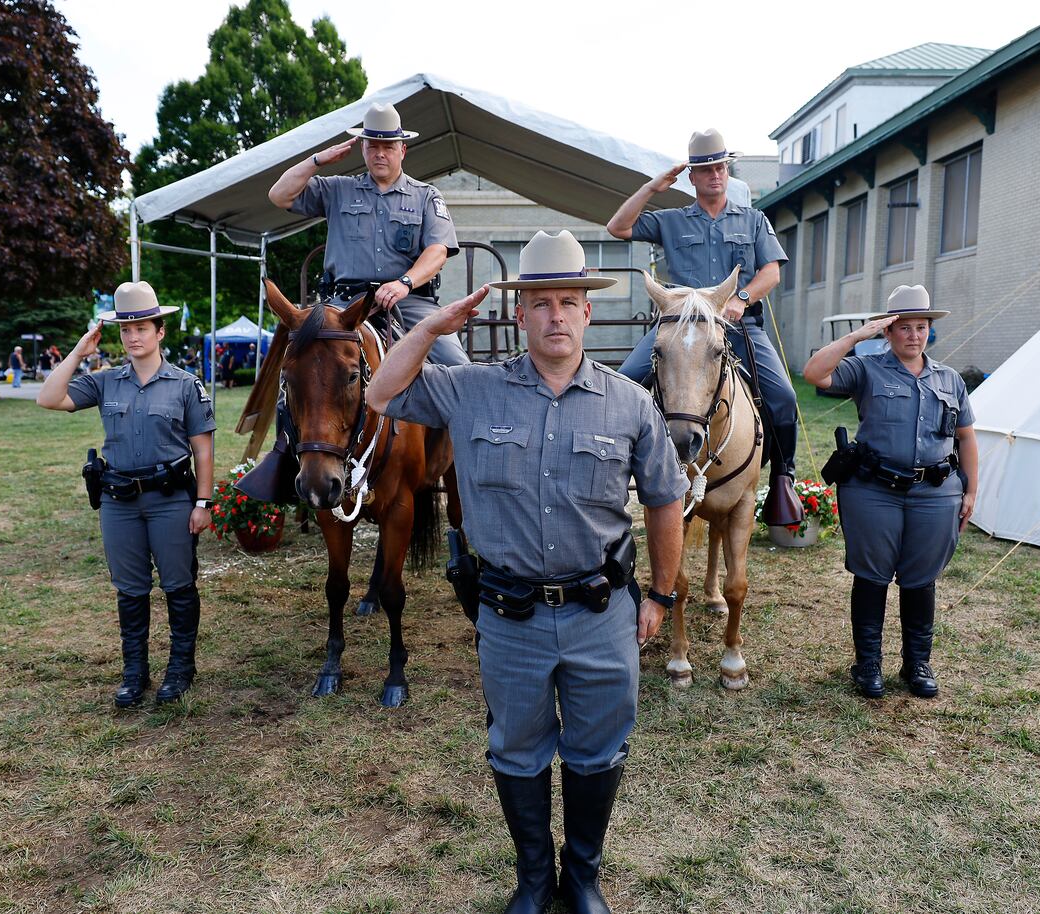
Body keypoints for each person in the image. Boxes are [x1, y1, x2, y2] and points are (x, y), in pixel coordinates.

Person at [369, 231, 688, 914]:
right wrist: (430, 326)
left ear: (587, 313)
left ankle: (583, 878)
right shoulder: (469, 391)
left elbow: (666, 498)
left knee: (597, 748)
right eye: (540, 303)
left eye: (568, 302)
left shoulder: (628, 404)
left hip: (600, 612)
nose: (555, 316)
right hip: (509, 616)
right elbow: (379, 392)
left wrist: (659, 593)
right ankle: (534, 879)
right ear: (520, 315)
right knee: (516, 749)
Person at [607, 129, 801, 525]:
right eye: (707, 169)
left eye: (721, 167)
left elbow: (772, 272)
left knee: (783, 397)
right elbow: (618, 227)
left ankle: (783, 477)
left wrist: (741, 299)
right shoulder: (670, 220)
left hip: (737, 326)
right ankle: (619, 471)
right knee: (625, 383)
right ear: (691, 177)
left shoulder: (753, 220)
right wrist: (651, 187)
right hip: (681, 327)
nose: (716, 174)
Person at [37, 281, 217, 708]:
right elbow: (49, 398)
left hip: (171, 499)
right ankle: (135, 672)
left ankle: (180, 669)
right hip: (119, 503)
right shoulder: (103, 383)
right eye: (126, 330)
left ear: (160, 332)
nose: (133, 337)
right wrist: (80, 351)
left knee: (178, 584)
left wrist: (203, 503)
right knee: (131, 590)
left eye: (142, 327)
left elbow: (203, 450)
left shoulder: (185, 385)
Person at [803, 285, 978, 700]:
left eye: (922, 327)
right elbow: (815, 373)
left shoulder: (949, 379)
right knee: (872, 575)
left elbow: (966, 438)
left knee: (921, 579)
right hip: (873, 491)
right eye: (904, 328)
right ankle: (867, 665)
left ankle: (917, 663)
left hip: (935, 492)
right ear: (889, 331)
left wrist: (971, 490)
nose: (914, 335)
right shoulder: (866, 369)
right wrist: (856, 337)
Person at [267, 102, 469, 367]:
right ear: (362, 148)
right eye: (372, 145)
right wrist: (316, 161)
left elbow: (438, 251)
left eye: (388, 147)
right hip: (344, 303)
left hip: (407, 302)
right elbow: (279, 195)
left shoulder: (426, 196)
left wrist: (404, 283)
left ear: (403, 150)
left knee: (455, 364)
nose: (380, 154)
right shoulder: (338, 189)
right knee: (298, 362)